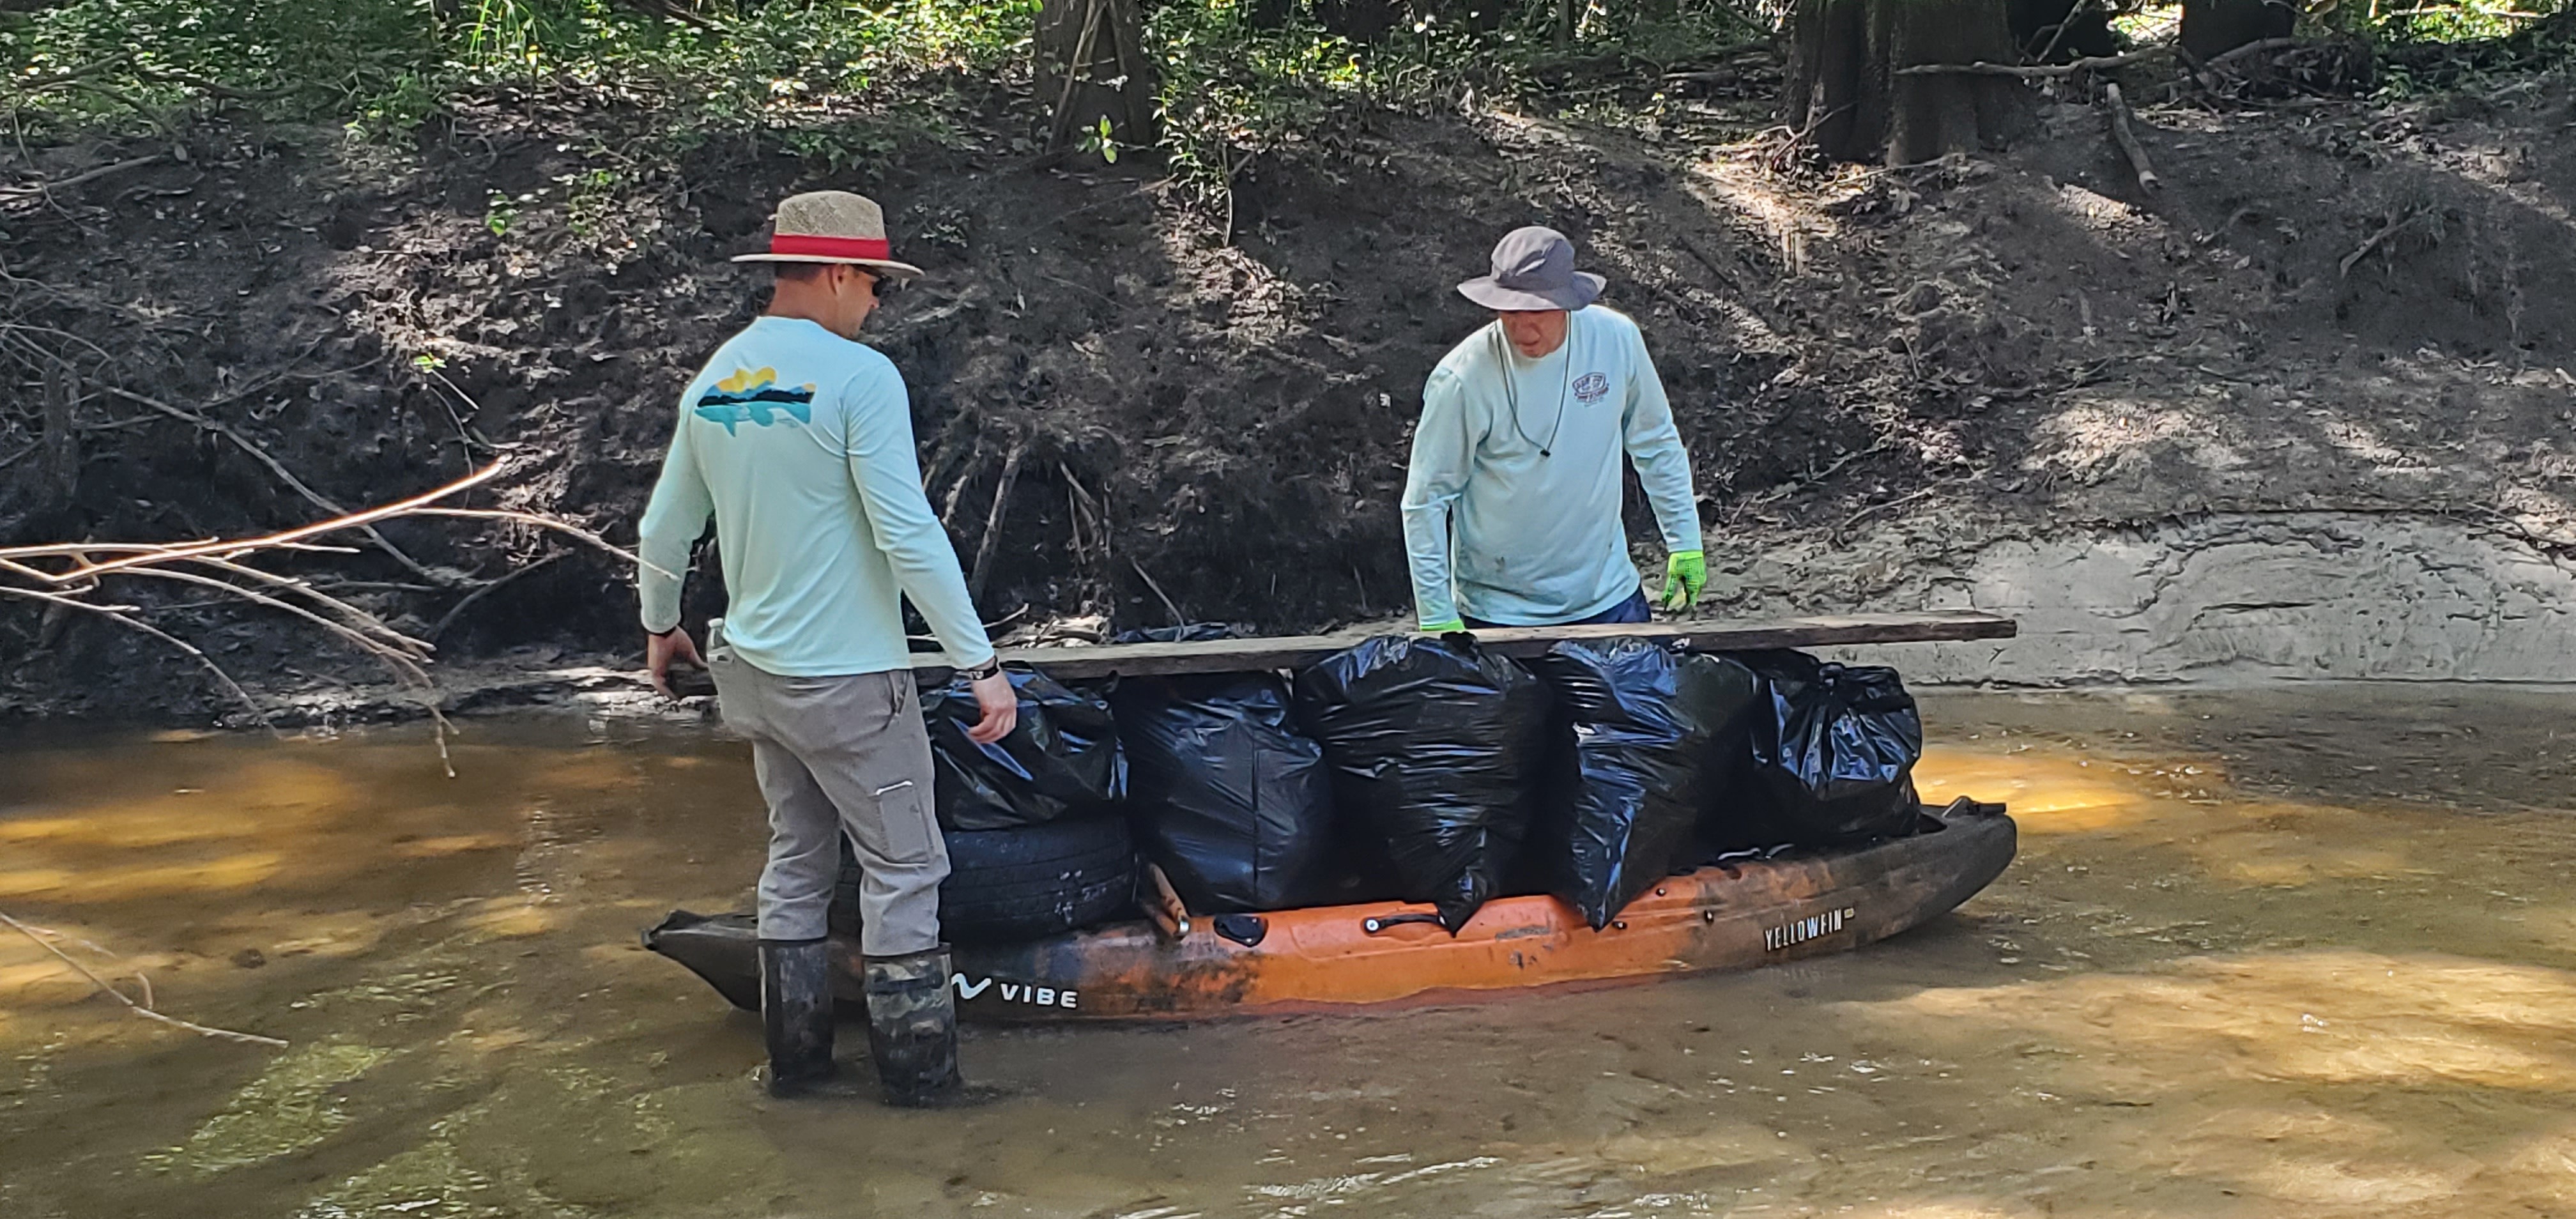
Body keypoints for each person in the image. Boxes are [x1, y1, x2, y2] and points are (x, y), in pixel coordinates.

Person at [636, 190, 1015, 1107]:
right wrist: (980, 665)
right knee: (905, 866)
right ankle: (922, 1089)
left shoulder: (718, 377)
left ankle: (796, 1072)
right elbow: (909, 534)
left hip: (755, 675)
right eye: (877, 284)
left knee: (797, 859)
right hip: (848, 679)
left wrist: (659, 625)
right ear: (842, 274)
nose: (879, 303)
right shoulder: (860, 377)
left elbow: (664, 527)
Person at [1400, 226, 1706, 632]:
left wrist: (1685, 543)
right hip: (1497, 611)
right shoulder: (1462, 379)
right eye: (1510, 313)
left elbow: (1656, 442)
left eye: (1538, 313)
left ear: (1568, 303)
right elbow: (1426, 499)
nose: (1523, 331)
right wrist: (1438, 615)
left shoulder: (1615, 341)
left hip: (1607, 596)